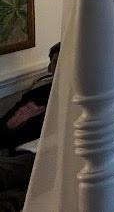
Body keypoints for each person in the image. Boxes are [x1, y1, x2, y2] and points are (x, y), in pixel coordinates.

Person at [0, 42, 59, 211]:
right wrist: (12, 125)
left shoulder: (83, 102)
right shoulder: (38, 94)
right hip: (21, 155)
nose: (56, 68)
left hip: (49, 158)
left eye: (61, 63)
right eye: (54, 63)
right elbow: (4, 127)